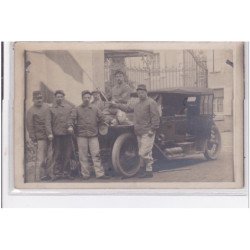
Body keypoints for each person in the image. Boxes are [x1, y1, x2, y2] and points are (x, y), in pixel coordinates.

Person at [110, 84, 160, 178]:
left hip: (147, 132)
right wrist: (115, 105)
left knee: (142, 153)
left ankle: (142, 168)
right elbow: (128, 109)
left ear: (146, 92)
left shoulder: (151, 102)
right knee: (147, 152)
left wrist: (152, 129)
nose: (140, 94)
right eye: (139, 93)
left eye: (142, 92)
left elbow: (155, 117)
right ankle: (148, 172)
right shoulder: (137, 104)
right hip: (138, 132)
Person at [73, 90, 109, 180]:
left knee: (96, 154)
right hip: (81, 135)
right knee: (83, 156)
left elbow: (102, 117)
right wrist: (70, 126)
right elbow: (72, 119)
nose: (87, 99)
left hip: (93, 135)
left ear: (90, 98)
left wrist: (108, 121)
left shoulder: (95, 108)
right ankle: (85, 174)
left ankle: (100, 174)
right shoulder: (77, 109)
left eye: (88, 97)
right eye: (85, 97)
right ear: (82, 98)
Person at [46, 90, 75, 180]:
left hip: (67, 135)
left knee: (67, 154)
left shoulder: (69, 107)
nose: (59, 98)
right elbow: (47, 122)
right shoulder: (51, 108)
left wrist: (70, 126)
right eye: (58, 97)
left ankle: (66, 173)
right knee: (57, 154)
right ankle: (56, 173)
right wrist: (50, 133)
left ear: (63, 97)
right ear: (55, 98)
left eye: (61, 96)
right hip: (56, 135)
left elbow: (71, 118)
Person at [26, 91, 52, 181]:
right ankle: (40, 175)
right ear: (33, 100)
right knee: (40, 157)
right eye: (37, 98)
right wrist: (33, 137)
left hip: (50, 135)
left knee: (50, 156)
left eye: (40, 98)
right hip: (40, 137)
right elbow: (30, 125)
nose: (39, 100)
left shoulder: (47, 107)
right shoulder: (31, 111)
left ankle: (49, 174)